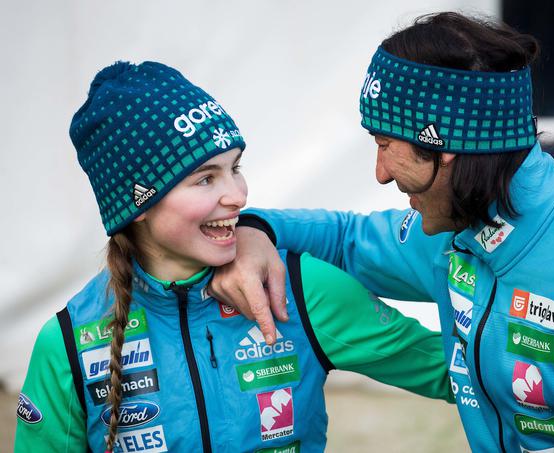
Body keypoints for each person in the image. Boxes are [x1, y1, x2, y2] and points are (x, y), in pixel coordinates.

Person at [211, 12, 554, 452]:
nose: (379, 173)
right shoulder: (461, 231)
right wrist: (251, 230)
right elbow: (345, 239)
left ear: (445, 144)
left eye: (385, 144)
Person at [14, 61, 454, 453]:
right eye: (206, 179)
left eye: (235, 168)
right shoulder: (68, 340)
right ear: (139, 203)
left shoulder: (299, 288)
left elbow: (461, 374)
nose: (238, 195)